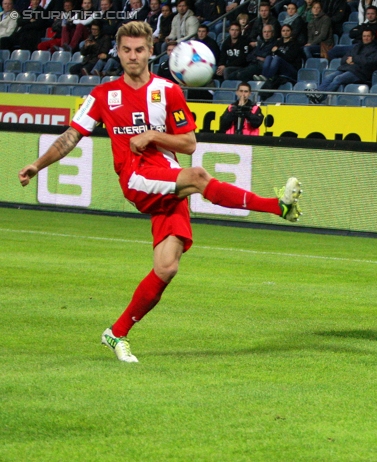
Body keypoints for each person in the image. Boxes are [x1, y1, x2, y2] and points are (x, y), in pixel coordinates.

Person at [18, 22, 303, 363]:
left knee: (166, 267)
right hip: (136, 177)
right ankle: (278, 206)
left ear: (151, 51)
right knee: (197, 176)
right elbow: (70, 136)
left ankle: (116, 333)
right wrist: (38, 165)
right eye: (126, 50)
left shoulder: (168, 91)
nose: (133, 56)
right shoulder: (102, 95)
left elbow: (189, 143)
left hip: (166, 176)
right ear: (119, 52)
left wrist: (154, 136)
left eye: (139, 50)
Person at [307, 28, 377, 103]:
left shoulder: (376, 50)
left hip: (360, 73)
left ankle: (321, 97)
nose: (366, 38)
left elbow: (373, 62)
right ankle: (317, 93)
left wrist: (354, 59)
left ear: (372, 37)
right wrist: (347, 60)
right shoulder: (356, 47)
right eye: (364, 36)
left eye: (368, 36)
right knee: (329, 77)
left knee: (338, 78)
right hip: (347, 68)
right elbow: (344, 59)